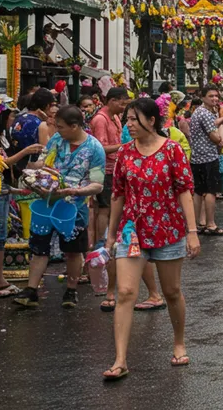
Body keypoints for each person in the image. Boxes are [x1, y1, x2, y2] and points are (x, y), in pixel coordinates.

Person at [104, 98, 200, 380]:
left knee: (171, 291)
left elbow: (184, 190)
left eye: (134, 119)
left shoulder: (172, 150)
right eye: (127, 119)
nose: (129, 125)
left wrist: (192, 232)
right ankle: (120, 360)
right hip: (131, 231)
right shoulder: (124, 153)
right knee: (125, 292)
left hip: (168, 230)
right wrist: (110, 235)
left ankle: (179, 342)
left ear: (152, 120)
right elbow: (117, 195)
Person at [14, 106, 106, 310]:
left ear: (75, 126)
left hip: (74, 207)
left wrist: (74, 191)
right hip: (47, 201)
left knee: (73, 251)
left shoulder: (95, 148)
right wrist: (32, 172)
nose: (57, 130)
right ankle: (31, 290)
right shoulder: (56, 140)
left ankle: (71, 290)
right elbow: (43, 163)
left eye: (61, 127)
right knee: (39, 248)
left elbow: (97, 184)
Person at [0, 106, 42, 299]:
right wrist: (25, 151)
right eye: (12, 116)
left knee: (0, 238)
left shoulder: (3, 137)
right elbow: (2, 163)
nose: (14, 120)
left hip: (3, 189)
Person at [89, 87, 128, 310]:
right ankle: (102, 244)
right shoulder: (101, 119)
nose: (123, 107)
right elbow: (100, 148)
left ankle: (108, 240)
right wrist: (125, 147)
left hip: (115, 169)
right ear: (111, 100)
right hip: (105, 170)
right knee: (104, 209)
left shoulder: (114, 117)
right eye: (121, 103)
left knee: (112, 209)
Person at [188, 85, 223, 236]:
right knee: (211, 191)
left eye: (216, 96)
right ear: (203, 97)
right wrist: (221, 136)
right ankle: (211, 224)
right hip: (208, 157)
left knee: (198, 191)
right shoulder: (205, 113)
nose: (214, 98)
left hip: (197, 157)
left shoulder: (199, 112)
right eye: (211, 96)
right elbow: (215, 138)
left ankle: (197, 224)